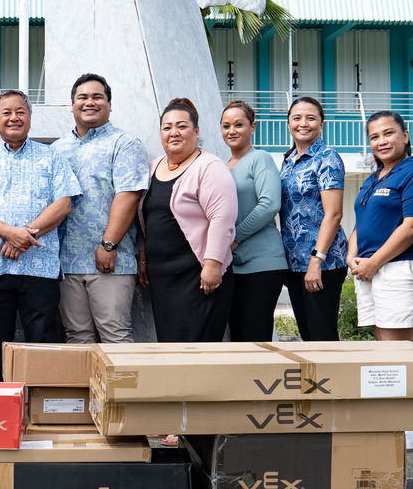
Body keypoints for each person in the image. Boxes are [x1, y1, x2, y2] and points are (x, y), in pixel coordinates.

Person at [0, 90, 82, 380]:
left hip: (40, 267)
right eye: (6, 113)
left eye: (20, 112)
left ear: (29, 118)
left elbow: (63, 202)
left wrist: (24, 237)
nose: (14, 118)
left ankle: (39, 407)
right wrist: (10, 233)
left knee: (41, 343)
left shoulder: (52, 158)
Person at [348, 110, 413, 451]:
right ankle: (393, 420)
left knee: (397, 351)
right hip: (369, 269)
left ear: (405, 135)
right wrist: (353, 256)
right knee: (384, 347)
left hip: (400, 268)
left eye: (388, 134)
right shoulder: (374, 178)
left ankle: (405, 427)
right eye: (374, 137)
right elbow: (360, 223)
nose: (381, 141)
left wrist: (374, 262)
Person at [51, 73, 150, 344]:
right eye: (82, 97)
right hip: (66, 262)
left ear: (109, 104)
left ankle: (120, 389)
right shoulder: (58, 149)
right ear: (71, 105)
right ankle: (84, 389)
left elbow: (128, 195)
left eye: (98, 97)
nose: (89, 102)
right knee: (77, 337)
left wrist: (108, 244)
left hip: (110, 260)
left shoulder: (125, 144)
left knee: (115, 335)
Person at [137, 98, 236, 342]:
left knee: (197, 347)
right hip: (163, 278)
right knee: (171, 346)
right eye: (167, 127)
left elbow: (222, 218)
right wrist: (142, 257)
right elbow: (145, 220)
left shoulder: (209, 166)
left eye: (181, 126)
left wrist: (212, 265)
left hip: (198, 275)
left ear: (196, 131)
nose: (173, 133)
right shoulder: (152, 167)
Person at [279, 96, 350, 341]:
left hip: (323, 262)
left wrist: (316, 262)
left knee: (322, 336)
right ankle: (314, 381)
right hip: (294, 263)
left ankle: (334, 380)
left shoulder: (327, 158)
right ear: (288, 123)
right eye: (297, 118)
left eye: (311, 118)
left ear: (321, 123)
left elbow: (334, 213)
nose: (303, 123)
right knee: (308, 336)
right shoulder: (288, 161)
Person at [220, 100, 287, 342]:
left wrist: (234, 238)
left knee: (255, 336)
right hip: (233, 265)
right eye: (226, 126)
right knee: (238, 338)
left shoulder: (260, 158)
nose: (232, 131)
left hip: (262, 264)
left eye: (239, 124)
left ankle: (261, 381)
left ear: (252, 127)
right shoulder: (223, 166)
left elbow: (269, 204)